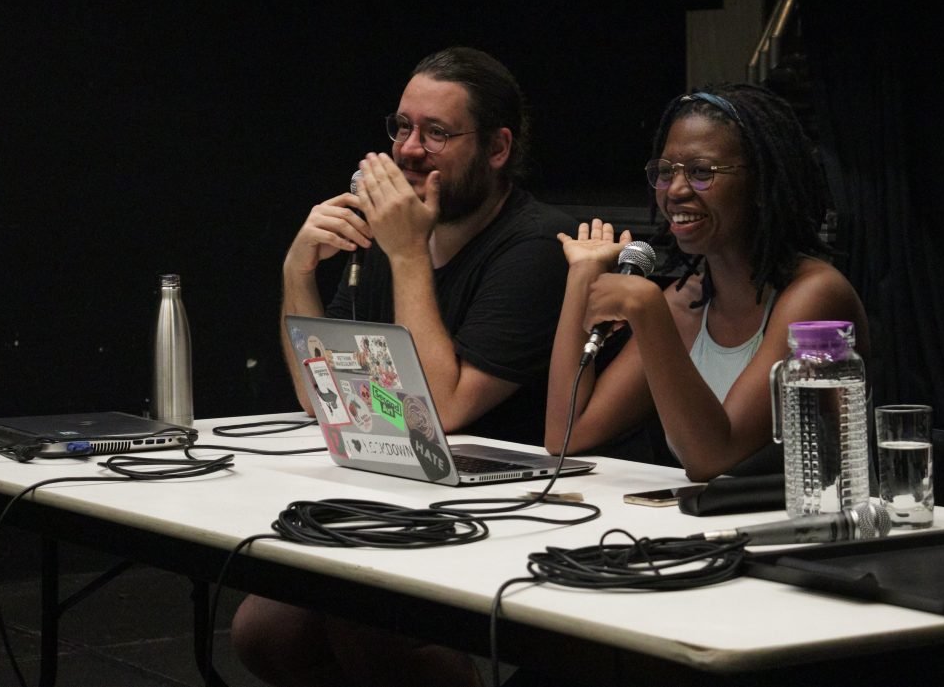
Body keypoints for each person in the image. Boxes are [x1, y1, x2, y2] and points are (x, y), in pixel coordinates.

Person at [232, 46, 571, 687]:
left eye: (437, 132)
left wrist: (408, 253)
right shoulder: (396, 237)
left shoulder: (534, 245)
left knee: (365, 623)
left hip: (502, 510)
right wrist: (297, 270)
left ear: (497, 148)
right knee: (265, 632)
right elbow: (320, 397)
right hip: (398, 491)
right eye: (402, 127)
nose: (409, 150)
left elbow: (441, 410)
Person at [544, 84, 870, 482]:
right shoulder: (687, 301)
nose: (676, 190)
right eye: (666, 172)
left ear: (760, 184)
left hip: (815, 518)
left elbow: (714, 459)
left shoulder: (815, 295)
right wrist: (582, 274)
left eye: (701, 172)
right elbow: (566, 436)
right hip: (710, 518)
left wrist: (648, 311)